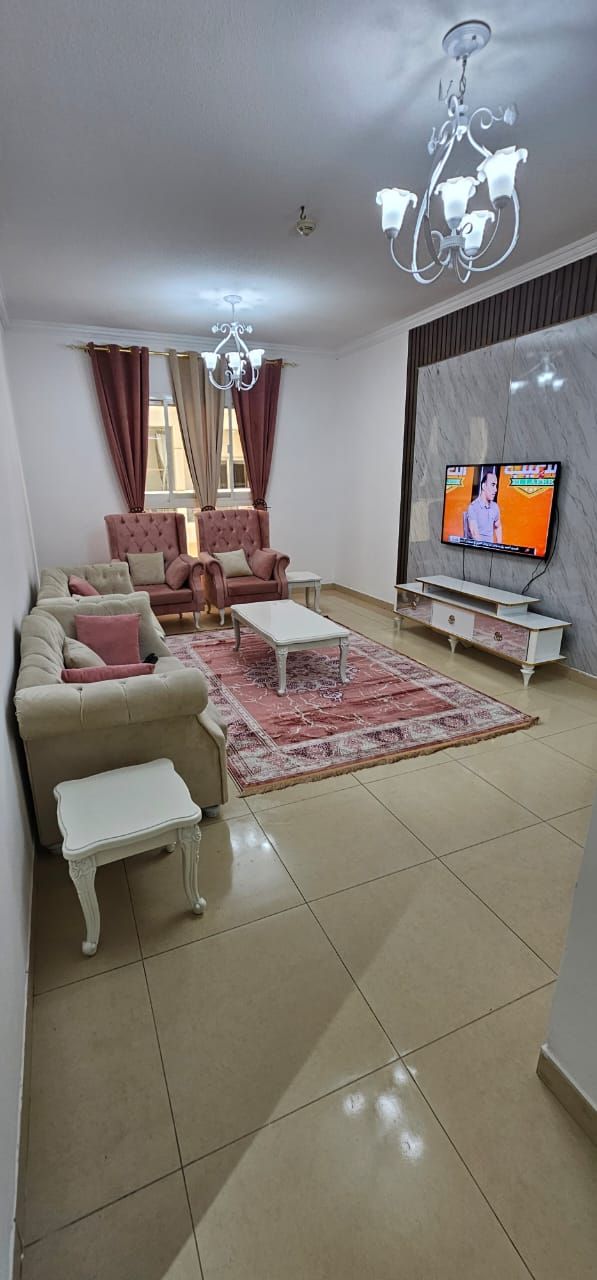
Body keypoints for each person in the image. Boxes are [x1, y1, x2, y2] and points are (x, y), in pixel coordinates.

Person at [465, 469, 503, 544]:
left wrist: (499, 546)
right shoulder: (473, 507)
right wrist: (485, 548)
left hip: (490, 548)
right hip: (477, 548)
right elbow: (475, 534)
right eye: (493, 485)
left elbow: (498, 526)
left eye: (496, 486)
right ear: (484, 486)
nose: (496, 490)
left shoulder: (495, 507)